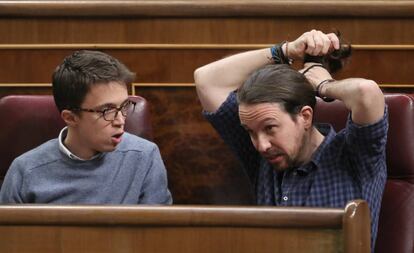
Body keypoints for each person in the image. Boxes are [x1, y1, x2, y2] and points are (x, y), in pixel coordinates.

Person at [194, 30, 387, 250]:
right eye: (250, 132)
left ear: (305, 117)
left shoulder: (356, 155)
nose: (261, 144)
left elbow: (366, 92)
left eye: (270, 128)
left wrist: (322, 84)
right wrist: (285, 51)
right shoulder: (262, 156)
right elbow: (206, 81)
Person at [0, 50, 172, 204]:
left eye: (125, 106)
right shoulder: (25, 171)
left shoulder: (145, 157)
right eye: (106, 110)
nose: (120, 120)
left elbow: (157, 236)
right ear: (71, 117)